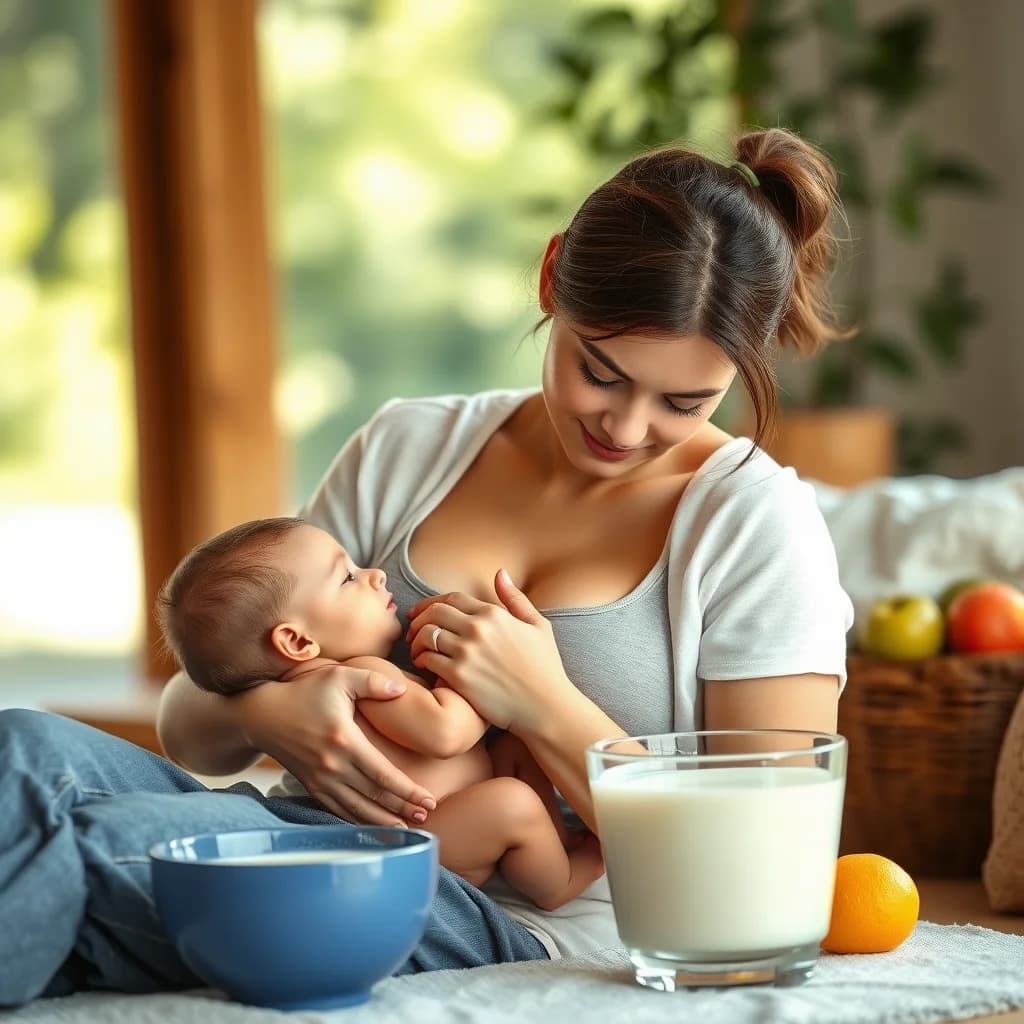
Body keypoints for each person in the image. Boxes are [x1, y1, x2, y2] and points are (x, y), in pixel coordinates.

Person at [0, 127, 854, 1005]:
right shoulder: (409, 447)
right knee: (23, 749)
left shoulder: (752, 525)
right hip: (296, 826)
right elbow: (190, 719)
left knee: (95, 848)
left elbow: (764, 865)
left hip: (504, 911)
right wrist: (270, 711)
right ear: (551, 277)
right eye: (600, 372)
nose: (626, 428)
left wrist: (543, 702)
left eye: (684, 401)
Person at [156, 515, 604, 910]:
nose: (374, 574)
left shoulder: (317, 683)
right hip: (426, 837)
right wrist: (478, 675)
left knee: (514, 753)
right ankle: (557, 883)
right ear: (297, 641)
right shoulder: (361, 676)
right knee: (513, 802)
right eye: (348, 578)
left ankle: (556, 844)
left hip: (434, 822)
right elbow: (446, 733)